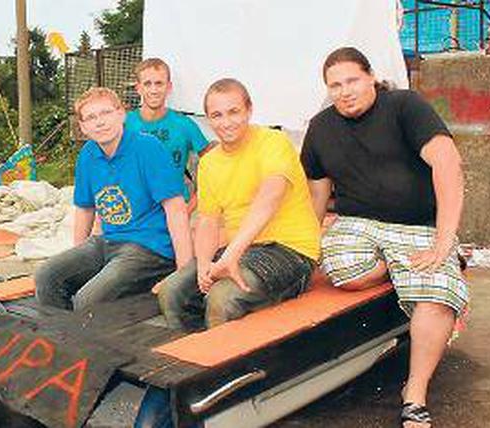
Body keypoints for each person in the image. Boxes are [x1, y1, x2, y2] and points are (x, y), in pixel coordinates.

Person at [301, 47, 469, 428]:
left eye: (352, 81)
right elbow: (317, 194)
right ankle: (399, 269)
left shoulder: (405, 106)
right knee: (342, 272)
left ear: (371, 76)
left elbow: (447, 162)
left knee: (436, 298)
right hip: (357, 223)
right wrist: (307, 247)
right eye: (335, 85)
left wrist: (444, 239)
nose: (344, 91)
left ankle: (414, 394)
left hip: (417, 225)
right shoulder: (321, 127)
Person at [157, 78, 320, 332]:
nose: (226, 122)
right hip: (241, 250)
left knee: (222, 298)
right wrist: (203, 266)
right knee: (172, 292)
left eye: (234, 112)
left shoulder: (273, 142)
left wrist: (231, 254)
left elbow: (270, 197)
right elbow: (208, 220)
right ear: (209, 119)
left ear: (249, 110)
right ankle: (193, 357)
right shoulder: (210, 164)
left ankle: (226, 367)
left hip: (290, 250)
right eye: (217, 115)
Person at [34, 87, 193, 311]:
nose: (100, 122)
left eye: (106, 113)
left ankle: (90, 339)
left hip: (148, 249)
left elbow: (176, 209)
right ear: (83, 127)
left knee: (88, 301)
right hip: (107, 242)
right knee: (47, 276)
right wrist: (78, 259)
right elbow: (85, 209)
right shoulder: (88, 155)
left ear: (122, 114)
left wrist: (183, 272)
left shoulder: (147, 148)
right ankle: (62, 337)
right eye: (91, 117)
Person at [125, 58, 210, 211]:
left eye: (159, 83)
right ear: (138, 88)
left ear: (169, 87)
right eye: (147, 84)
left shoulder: (184, 124)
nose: (153, 90)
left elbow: (214, 165)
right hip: (136, 210)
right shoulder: (124, 124)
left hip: (175, 209)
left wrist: (191, 206)